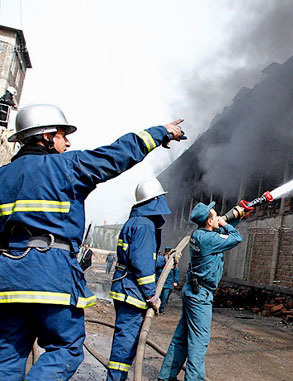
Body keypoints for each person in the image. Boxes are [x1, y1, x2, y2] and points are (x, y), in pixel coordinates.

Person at [0, 103, 184, 381]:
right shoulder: (66, 167)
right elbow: (115, 156)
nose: (68, 141)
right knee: (66, 348)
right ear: (47, 136)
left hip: (7, 280)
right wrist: (162, 133)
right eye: (63, 134)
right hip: (51, 276)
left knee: (9, 354)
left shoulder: (3, 176)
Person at [158, 201, 243, 381]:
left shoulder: (199, 235)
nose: (218, 216)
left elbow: (221, 233)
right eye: (215, 215)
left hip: (192, 291)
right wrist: (226, 224)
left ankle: (166, 376)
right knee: (198, 341)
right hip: (200, 295)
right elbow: (236, 238)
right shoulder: (209, 239)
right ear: (209, 222)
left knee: (181, 337)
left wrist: (240, 215)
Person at [107, 178, 171, 381]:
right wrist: (152, 294)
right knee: (125, 344)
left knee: (126, 342)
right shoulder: (145, 226)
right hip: (132, 292)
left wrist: (163, 260)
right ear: (155, 200)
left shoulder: (136, 221)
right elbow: (142, 265)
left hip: (125, 288)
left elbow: (142, 257)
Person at [155, 248, 179, 314]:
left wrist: (175, 281)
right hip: (159, 282)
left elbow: (176, 272)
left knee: (165, 297)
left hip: (168, 283)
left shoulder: (173, 262)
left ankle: (161, 310)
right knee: (157, 296)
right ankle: (156, 308)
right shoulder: (161, 260)